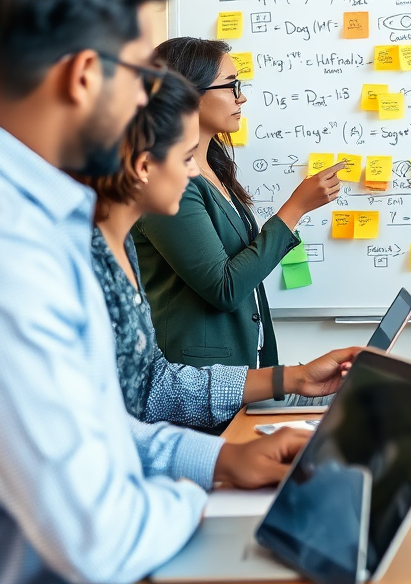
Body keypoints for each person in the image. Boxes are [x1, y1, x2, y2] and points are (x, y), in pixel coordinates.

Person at [0, 0, 306, 584]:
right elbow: (101, 534)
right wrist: (198, 497)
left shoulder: (21, 212)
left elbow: (93, 423)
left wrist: (219, 461)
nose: (152, 101)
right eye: (139, 75)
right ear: (85, 76)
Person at [82, 68, 360, 427]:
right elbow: (224, 287)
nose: (193, 173)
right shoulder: (83, 264)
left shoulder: (121, 253)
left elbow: (153, 388)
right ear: (144, 165)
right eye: (186, 158)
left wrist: (295, 378)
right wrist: (294, 209)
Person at [133, 36, 341, 370]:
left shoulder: (213, 169)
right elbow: (225, 288)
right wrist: (295, 209)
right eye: (231, 86)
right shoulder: (165, 181)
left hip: (243, 368)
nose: (241, 97)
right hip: (196, 379)